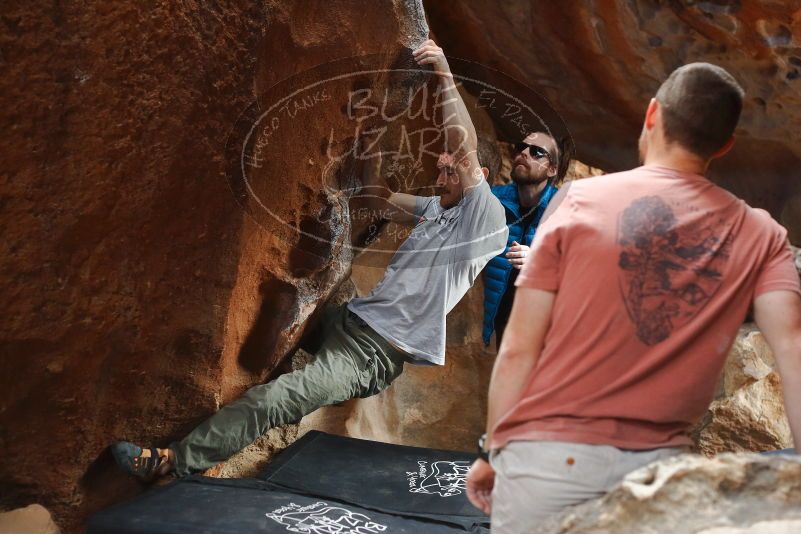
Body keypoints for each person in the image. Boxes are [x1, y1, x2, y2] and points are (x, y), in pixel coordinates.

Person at [110, 39, 508, 480]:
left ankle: (172, 462)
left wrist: (444, 72)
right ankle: (227, 435)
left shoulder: (484, 218)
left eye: (451, 170)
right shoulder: (437, 208)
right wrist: (371, 136)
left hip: (370, 355)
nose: (442, 175)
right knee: (289, 308)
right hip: (349, 319)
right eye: (440, 168)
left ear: (480, 177)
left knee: (275, 399)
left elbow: (463, 145)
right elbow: (378, 196)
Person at [466, 62, 801, 531]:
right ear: (725, 145)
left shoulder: (578, 202)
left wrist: (492, 452)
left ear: (651, 115)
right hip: (656, 478)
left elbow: (520, 347)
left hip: (545, 461)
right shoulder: (761, 235)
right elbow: (793, 353)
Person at [482, 132, 572, 348]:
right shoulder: (494, 199)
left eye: (536, 152)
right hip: (492, 326)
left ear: (552, 169)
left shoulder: (566, 211)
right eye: (521, 147)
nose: (523, 153)